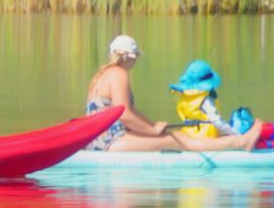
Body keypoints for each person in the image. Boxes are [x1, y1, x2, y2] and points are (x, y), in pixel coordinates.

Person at [82, 35, 261, 153]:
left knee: (170, 135)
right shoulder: (119, 74)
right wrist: (152, 131)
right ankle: (241, 143)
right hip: (110, 143)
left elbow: (132, 112)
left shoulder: (102, 74)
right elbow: (125, 114)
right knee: (176, 139)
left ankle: (235, 141)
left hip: (100, 140)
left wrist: (155, 127)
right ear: (131, 57)